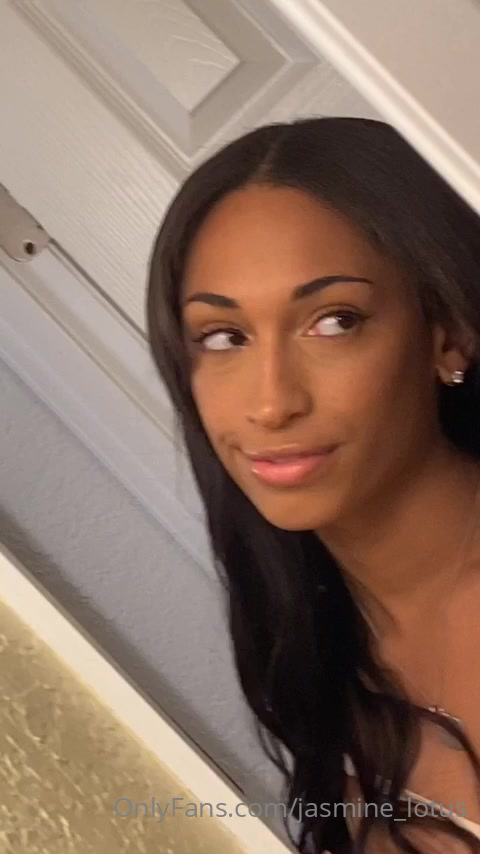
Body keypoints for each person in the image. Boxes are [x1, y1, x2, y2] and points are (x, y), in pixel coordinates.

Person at [146, 117, 480, 853]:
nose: (271, 404)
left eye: (334, 322)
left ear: (449, 332)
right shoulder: (311, 644)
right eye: (224, 337)